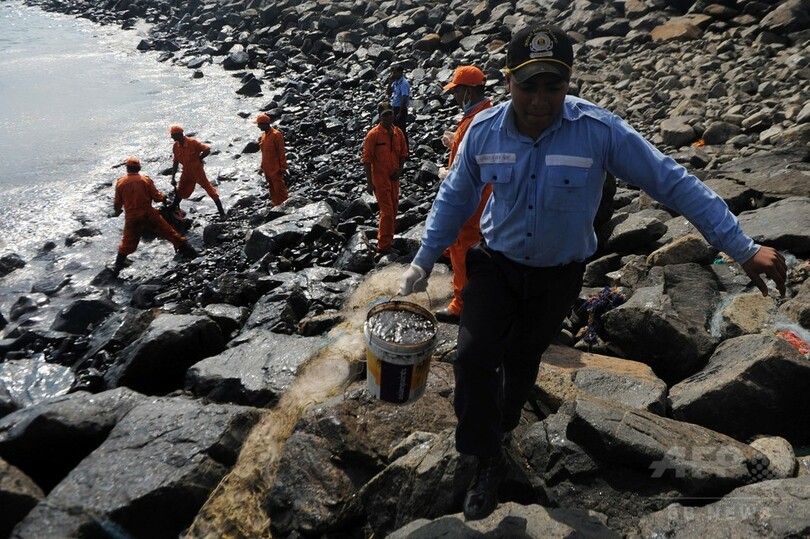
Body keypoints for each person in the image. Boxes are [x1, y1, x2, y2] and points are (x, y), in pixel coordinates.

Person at [398, 23, 787, 521]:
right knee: (473, 357)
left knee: (521, 364)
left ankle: (505, 425)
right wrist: (422, 260)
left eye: (552, 86)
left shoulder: (598, 131)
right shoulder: (482, 132)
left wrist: (741, 247)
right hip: (495, 264)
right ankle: (484, 455)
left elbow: (673, 183)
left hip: (558, 277)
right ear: (507, 81)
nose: (540, 99)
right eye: (528, 85)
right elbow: (454, 198)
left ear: (568, 82)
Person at [434, 65, 494, 324]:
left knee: (462, 245)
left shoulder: (477, 121)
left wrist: (449, 176)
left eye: (457, 92)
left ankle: (462, 305)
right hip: (481, 195)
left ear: (469, 91)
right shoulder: (484, 115)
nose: (455, 97)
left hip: (469, 198)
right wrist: (455, 142)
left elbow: (473, 163)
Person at [112, 157, 198, 275]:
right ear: (139, 168)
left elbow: (117, 203)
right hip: (148, 214)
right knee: (170, 233)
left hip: (132, 218)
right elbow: (157, 197)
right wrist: (163, 198)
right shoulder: (145, 180)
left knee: (127, 243)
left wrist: (117, 212)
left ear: (127, 168)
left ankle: (116, 270)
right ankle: (193, 255)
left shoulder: (120, 182)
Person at [362, 102, 409, 255]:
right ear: (380, 117)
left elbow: (403, 153)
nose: (389, 117)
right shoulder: (373, 135)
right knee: (387, 211)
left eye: (390, 113)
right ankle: (383, 246)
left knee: (394, 208)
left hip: (394, 178)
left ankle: (388, 240)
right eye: (385, 115)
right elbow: (367, 160)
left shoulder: (398, 133)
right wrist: (370, 183)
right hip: (380, 179)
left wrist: (400, 171)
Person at [169, 124, 226, 219]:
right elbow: (175, 162)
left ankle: (222, 213)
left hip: (197, 172)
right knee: (180, 190)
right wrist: (173, 178)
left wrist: (199, 158)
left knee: (209, 190)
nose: (171, 137)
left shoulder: (193, 142)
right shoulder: (176, 146)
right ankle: (173, 208)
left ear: (179, 134)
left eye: (172, 135)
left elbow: (207, 149)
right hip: (186, 173)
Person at [255, 113, 290, 206]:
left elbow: (281, 152)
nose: (258, 126)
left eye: (259, 124)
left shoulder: (276, 135)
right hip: (267, 168)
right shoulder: (263, 136)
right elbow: (264, 154)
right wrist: (261, 167)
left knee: (280, 189)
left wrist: (283, 167)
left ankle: (286, 206)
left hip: (276, 168)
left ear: (264, 124)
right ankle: (276, 205)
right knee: (272, 189)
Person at [387, 63, 411, 144]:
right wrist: (390, 83)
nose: (394, 74)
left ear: (401, 72)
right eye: (393, 73)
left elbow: (404, 98)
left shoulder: (404, 83)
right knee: (394, 129)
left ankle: (406, 151)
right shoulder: (395, 82)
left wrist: (400, 112)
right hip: (395, 108)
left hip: (401, 108)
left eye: (395, 72)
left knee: (401, 130)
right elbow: (389, 94)